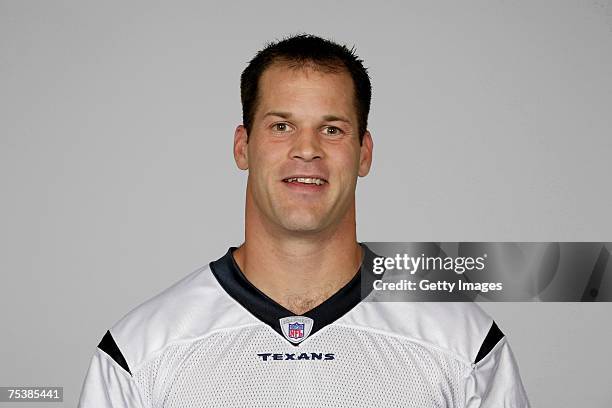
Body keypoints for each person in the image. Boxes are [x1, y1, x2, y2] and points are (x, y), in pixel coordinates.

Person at [78, 34, 530, 407]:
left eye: (331, 129)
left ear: (364, 153)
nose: (307, 149)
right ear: (242, 146)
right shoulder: (140, 352)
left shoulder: (465, 344)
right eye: (281, 126)